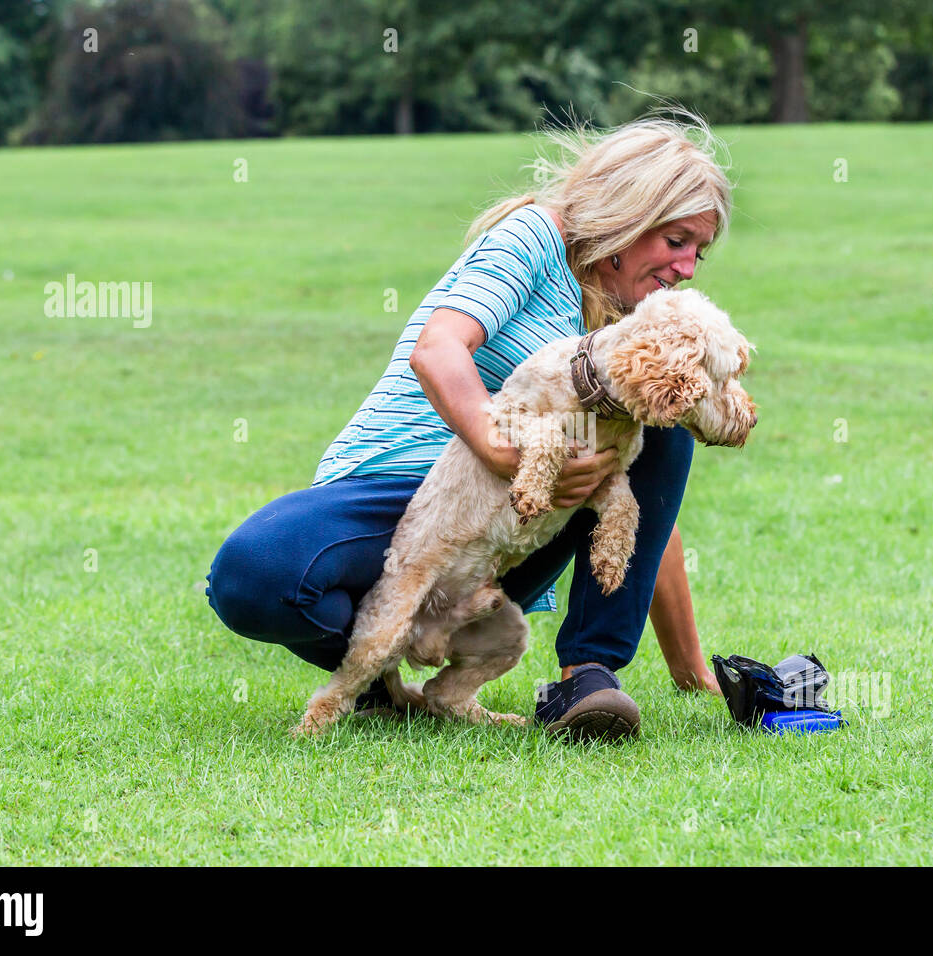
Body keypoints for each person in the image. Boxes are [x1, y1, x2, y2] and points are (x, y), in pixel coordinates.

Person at [206, 110, 733, 741]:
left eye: (699, 252)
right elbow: (438, 349)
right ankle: (377, 676)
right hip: (400, 486)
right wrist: (507, 455)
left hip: (503, 536)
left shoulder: (633, 334)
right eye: (676, 241)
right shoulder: (535, 235)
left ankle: (587, 679)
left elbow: (640, 500)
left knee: (664, 408)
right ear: (630, 214)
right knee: (252, 574)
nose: (688, 267)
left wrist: (691, 669)